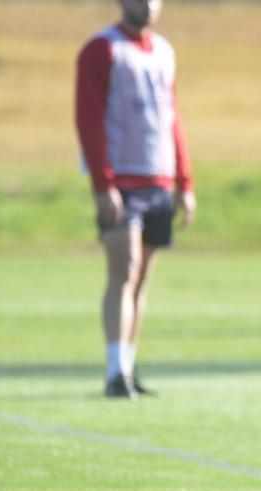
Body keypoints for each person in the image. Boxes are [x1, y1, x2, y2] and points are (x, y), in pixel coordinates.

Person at [75, 0, 197, 400]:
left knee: (142, 278)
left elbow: (171, 116)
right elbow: (89, 118)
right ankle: (114, 370)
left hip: (157, 178)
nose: (146, 5)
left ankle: (128, 364)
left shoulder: (164, 50)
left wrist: (184, 180)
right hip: (121, 179)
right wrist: (102, 182)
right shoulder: (102, 49)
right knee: (123, 271)